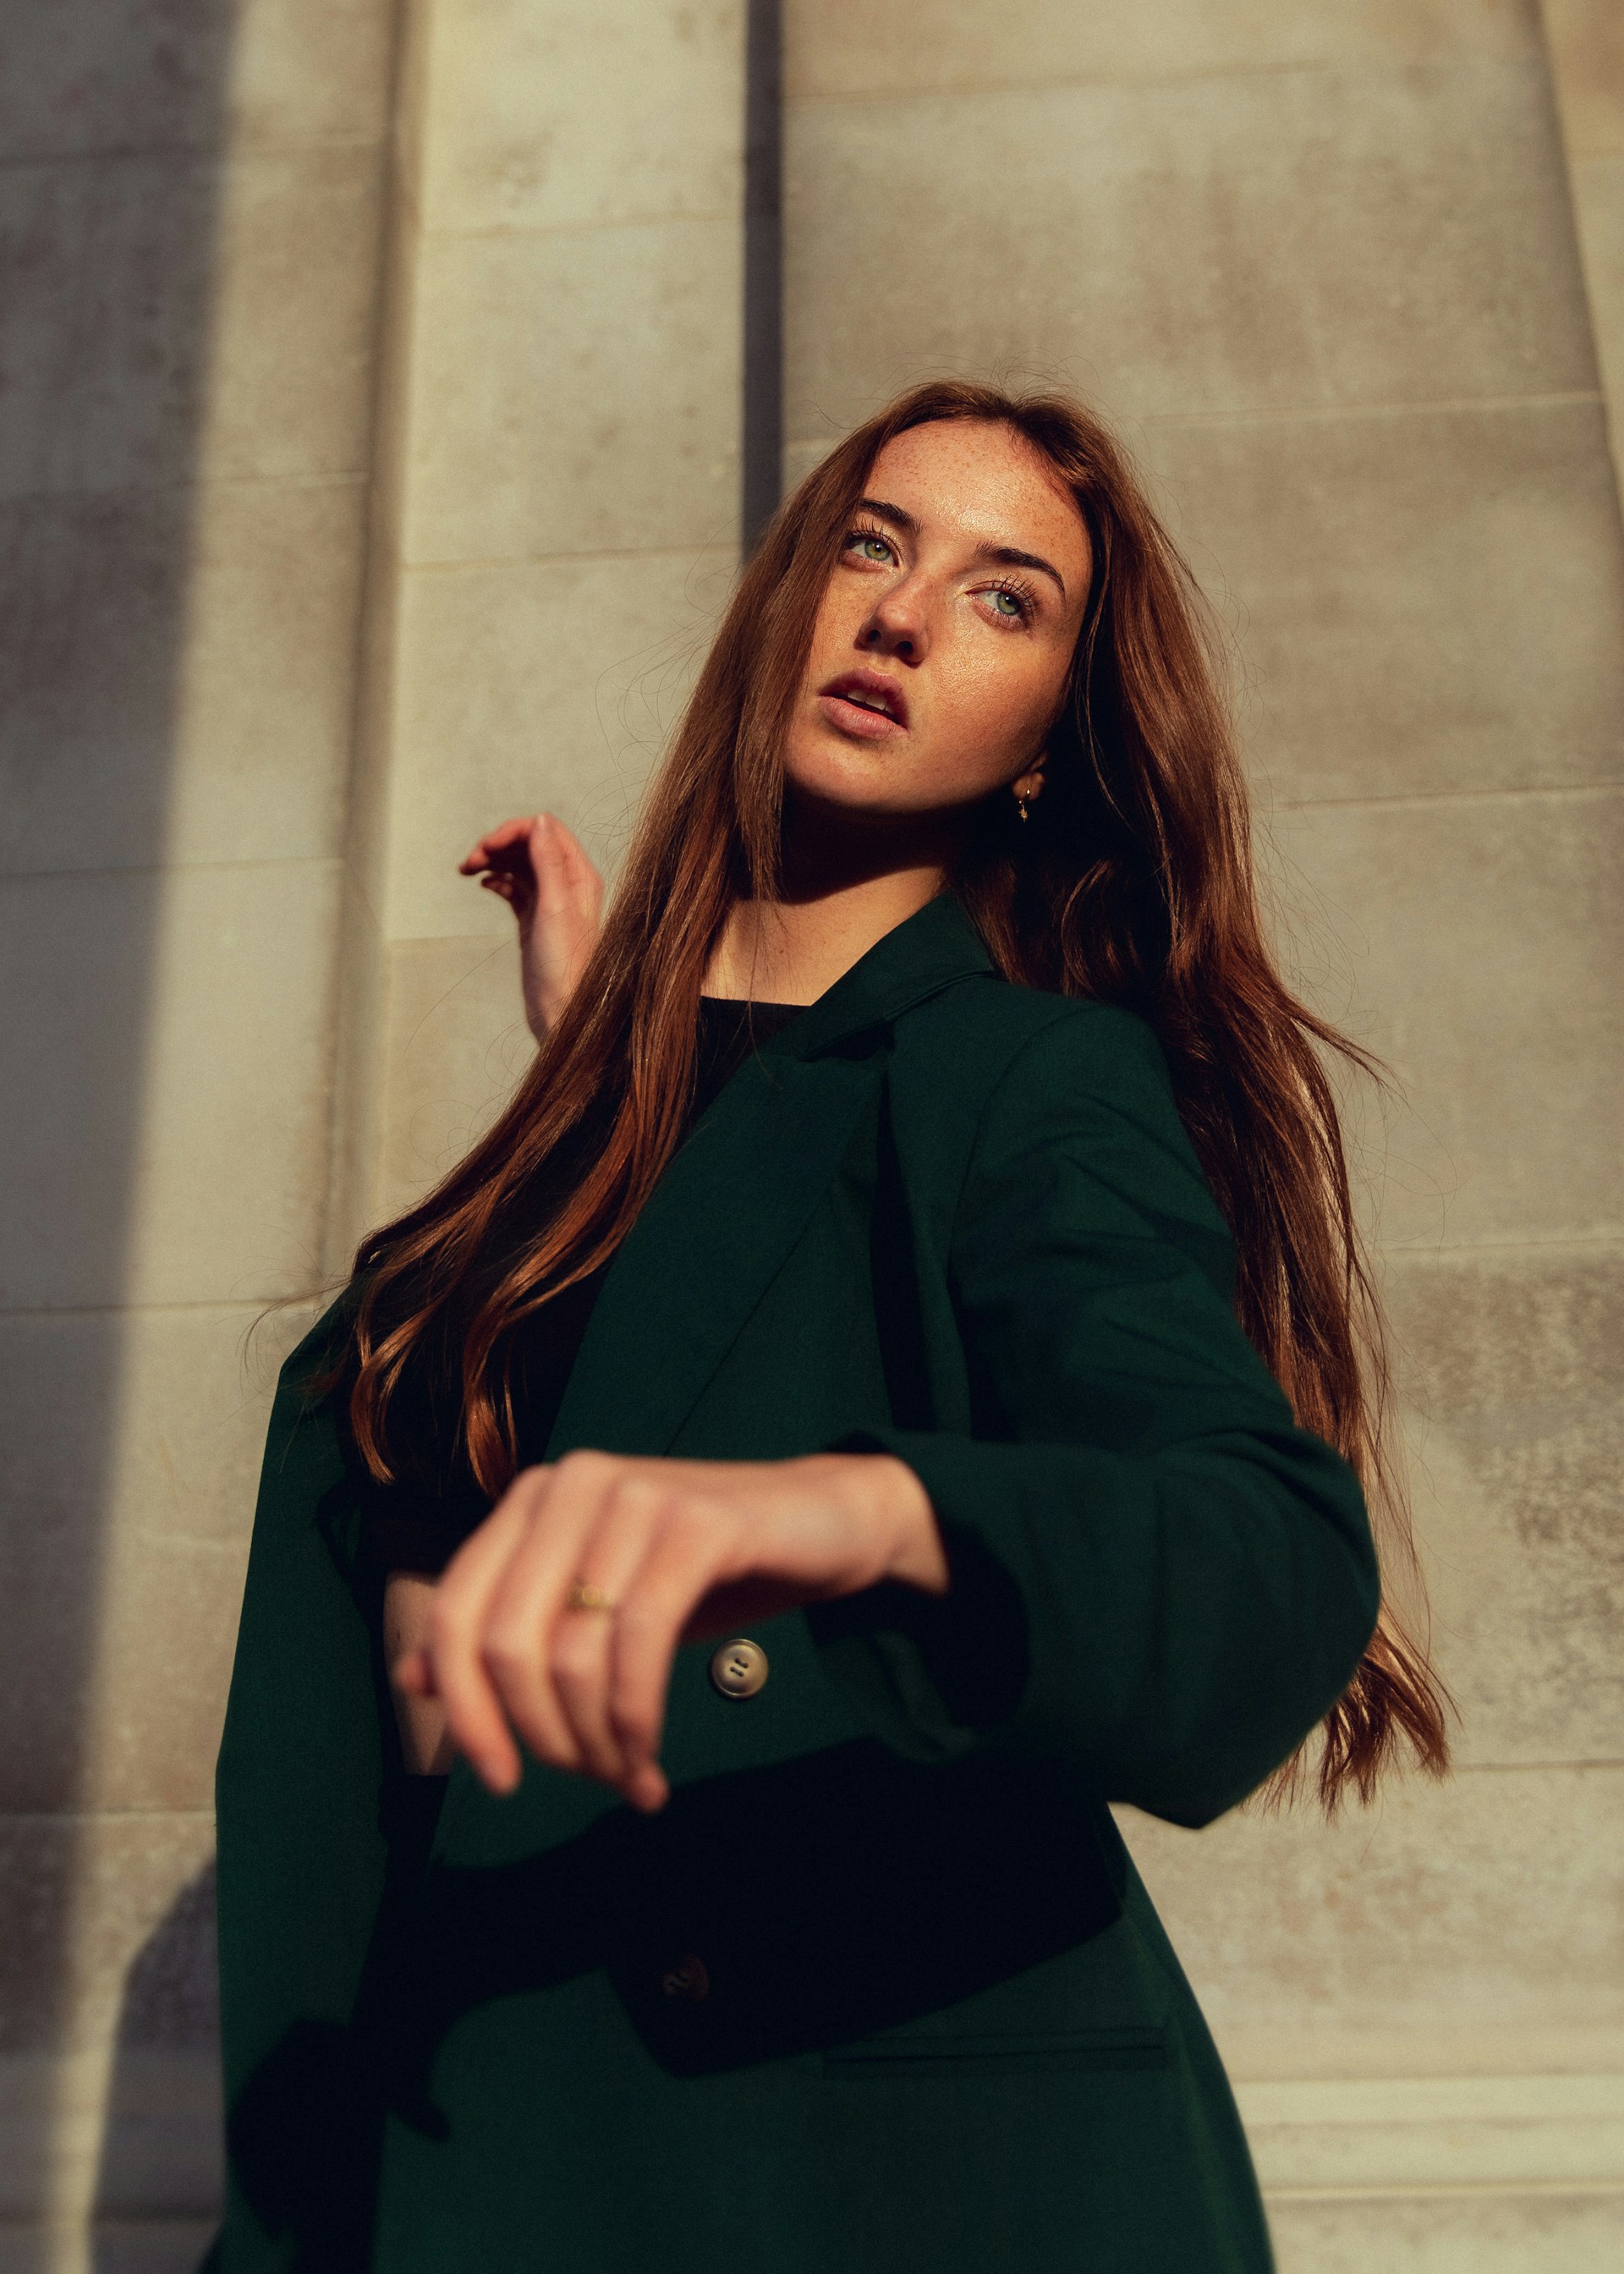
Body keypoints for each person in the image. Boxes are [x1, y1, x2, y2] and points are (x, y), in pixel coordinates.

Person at [208, 380, 1448, 2273]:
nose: (904, 613)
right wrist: (631, 1078)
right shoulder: (596, 1148)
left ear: (1048, 746)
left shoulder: (1027, 1084)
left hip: (883, 2181)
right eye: (873, 543)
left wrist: (852, 1512)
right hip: (459, 2172)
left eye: (1005, 596)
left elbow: (1267, 1546)